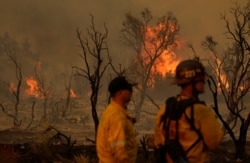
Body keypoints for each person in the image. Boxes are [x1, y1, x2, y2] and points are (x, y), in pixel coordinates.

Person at [154, 59, 224, 163]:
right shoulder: (200, 111)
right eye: (200, 79)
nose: (204, 82)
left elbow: (158, 141)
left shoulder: (166, 107)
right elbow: (214, 143)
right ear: (192, 82)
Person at [96, 76, 138, 163]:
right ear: (120, 92)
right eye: (128, 89)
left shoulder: (110, 111)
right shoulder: (117, 116)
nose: (131, 92)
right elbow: (118, 148)